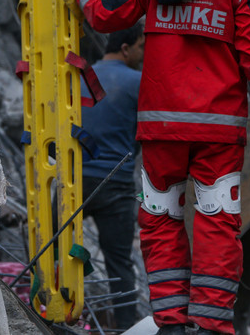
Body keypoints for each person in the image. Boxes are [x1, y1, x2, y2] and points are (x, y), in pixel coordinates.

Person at [59, 0, 250, 335]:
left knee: (160, 223)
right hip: (218, 136)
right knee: (217, 225)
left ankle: (172, 325)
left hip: (160, 133)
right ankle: (212, 327)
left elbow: (103, 15)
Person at [79, 22, 145, 330]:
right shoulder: (139, 82)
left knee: (50, 248)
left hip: (73, 180)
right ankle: (125, 328)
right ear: (126, 48)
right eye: (142, 47)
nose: (144, 54)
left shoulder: (78, 76)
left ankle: (48, 311)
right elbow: (146, 134)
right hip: (116, 184)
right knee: (120, 264)